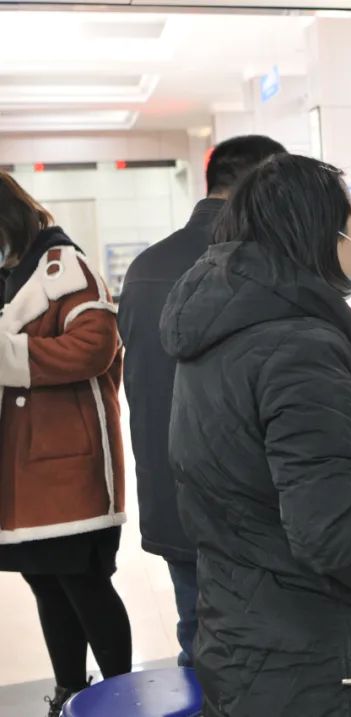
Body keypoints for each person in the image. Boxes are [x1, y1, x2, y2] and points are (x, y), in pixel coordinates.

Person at [160, 154, 351, 716]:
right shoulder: (298, 347)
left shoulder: (222, 325)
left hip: (248, 635)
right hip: (324, 662)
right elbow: (332, 532)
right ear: (319, 234)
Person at [117, 134, 285, 668]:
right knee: (265, 657)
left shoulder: (145, 267)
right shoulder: (263, 266)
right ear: (264, 185)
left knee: (198, 638)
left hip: (170, 493)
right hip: (249, 506)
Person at [0, 172, 131, 716]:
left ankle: (125, 693)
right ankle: (69, 691)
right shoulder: (10, 275)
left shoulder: (63, 268)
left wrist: (13, 358)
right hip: (21, 465)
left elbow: (96, 345)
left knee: (85, 584)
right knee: (45, 582)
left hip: (68, 461)